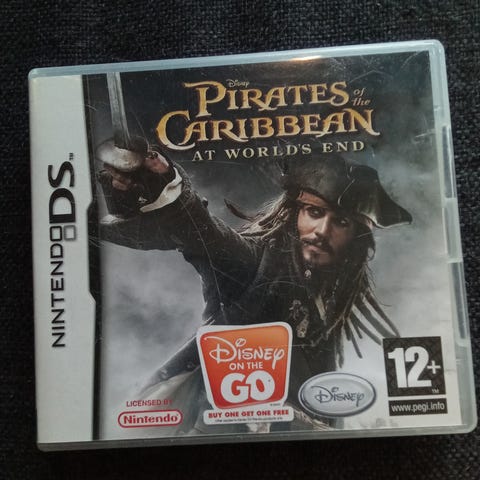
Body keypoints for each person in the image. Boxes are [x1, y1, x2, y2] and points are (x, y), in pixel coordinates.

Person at [98, 147, 411, 433]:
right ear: (295, 213)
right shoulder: (255, 264)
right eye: (314, 212)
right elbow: (203, 233)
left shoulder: (329, 294)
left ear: (357, 238)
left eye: (341, 221)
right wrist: (164, 181)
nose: (322, 231)